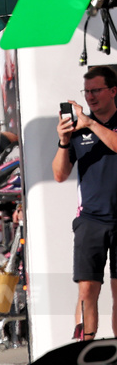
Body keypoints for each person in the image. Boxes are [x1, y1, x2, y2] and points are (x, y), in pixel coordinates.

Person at [54, 65, 117, 340]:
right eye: (87, 91)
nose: (90, 97)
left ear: (113, 91)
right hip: (91, 220)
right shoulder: (78, 132)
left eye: (96, 90)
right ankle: (83, 350)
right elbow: (59, 175)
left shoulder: (92, 124)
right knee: (86, 290)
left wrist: (91, 124)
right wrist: (63, 141)